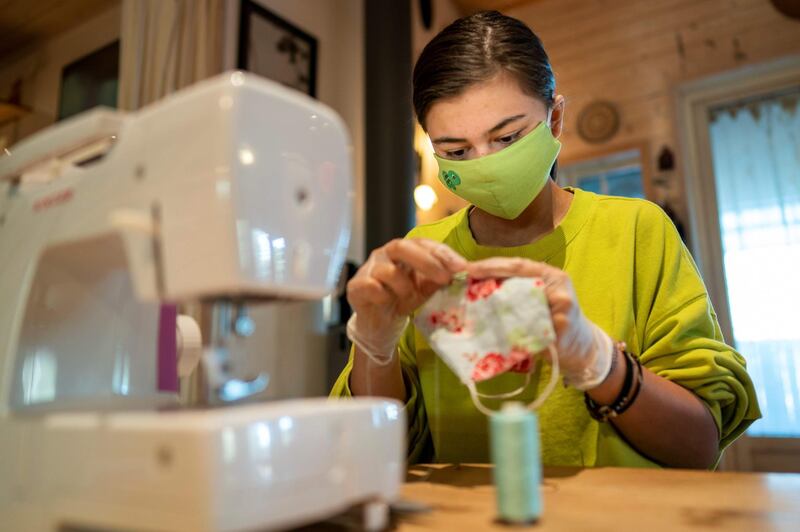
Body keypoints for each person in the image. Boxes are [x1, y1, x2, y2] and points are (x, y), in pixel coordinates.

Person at [331, 11, 760, 469]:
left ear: (555, 119)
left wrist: (601, 365)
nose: (485, 163)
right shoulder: (423, 257)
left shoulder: (637, 230)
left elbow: (697, 445)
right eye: (456, 152)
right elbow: (373, 457)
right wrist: (373, 343)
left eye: (508, 137)